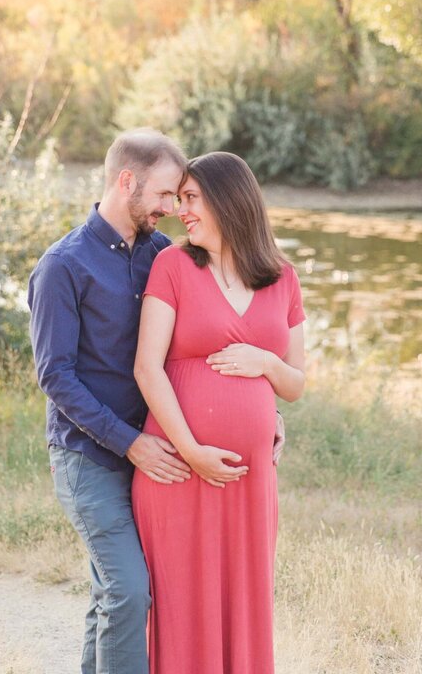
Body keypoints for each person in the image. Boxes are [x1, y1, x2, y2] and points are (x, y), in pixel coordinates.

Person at [27, 128, 195, 674]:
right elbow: (56, 377)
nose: (171, 208)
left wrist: (269, 412)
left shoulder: (163, 256)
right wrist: (131, 444)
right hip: (88, 459)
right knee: (127, 593)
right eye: (165, 195)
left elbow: (196, 345)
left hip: (151, 456)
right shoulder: (62, 266)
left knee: (111, 597)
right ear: (128, 182)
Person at [132, 151, 306, 674]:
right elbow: (147, 368)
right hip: (179, 469)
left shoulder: (283, 277)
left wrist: (266, 362)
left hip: (249, 484)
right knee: (181, 606)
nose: (180, 211)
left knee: (244, 602)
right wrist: (193, 451)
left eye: (191, 199)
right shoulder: (174, 266)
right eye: (178, 199)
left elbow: (295, 385)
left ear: (229, 203)